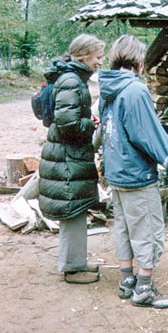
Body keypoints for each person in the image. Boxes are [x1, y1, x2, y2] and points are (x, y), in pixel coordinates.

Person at [98, 34, 168, 309]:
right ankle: (144, 290)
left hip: (116, 172)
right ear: (138, 59)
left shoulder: (108, 89)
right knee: (148, 230)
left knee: (125, 228)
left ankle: (127, 281)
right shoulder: (135, 91)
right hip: (137, 175)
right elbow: (150, 136)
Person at [38, 34, 105, 283]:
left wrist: (85, 121)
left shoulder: (71, 78)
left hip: (67, 155)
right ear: (84, 55)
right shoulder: (71, 80)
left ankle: (77, 263)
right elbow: (68, 124)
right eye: (97, 57)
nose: (99, 62)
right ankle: (71, 269)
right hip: (67, 157)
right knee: (71, 209)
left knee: (75, 210)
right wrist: (90, 124)